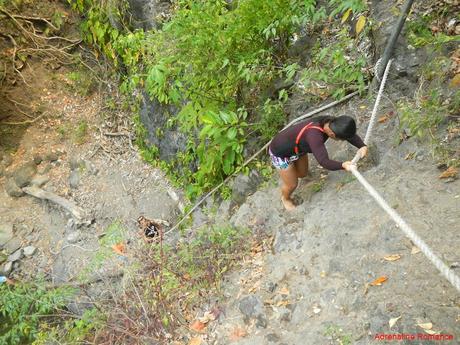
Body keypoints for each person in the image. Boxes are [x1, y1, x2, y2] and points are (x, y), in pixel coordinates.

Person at [269, 115, 368, 211]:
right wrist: (343, 165)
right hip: (280, 153)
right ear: (333, 135)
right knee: (292, 184)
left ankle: (292, 169)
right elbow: (324, 161)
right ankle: (285, 199)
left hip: (298, 148)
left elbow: (346, 132)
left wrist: (362, 145)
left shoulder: (331, 122)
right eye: (341, 139)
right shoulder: (314, 136)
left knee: (302, 174)